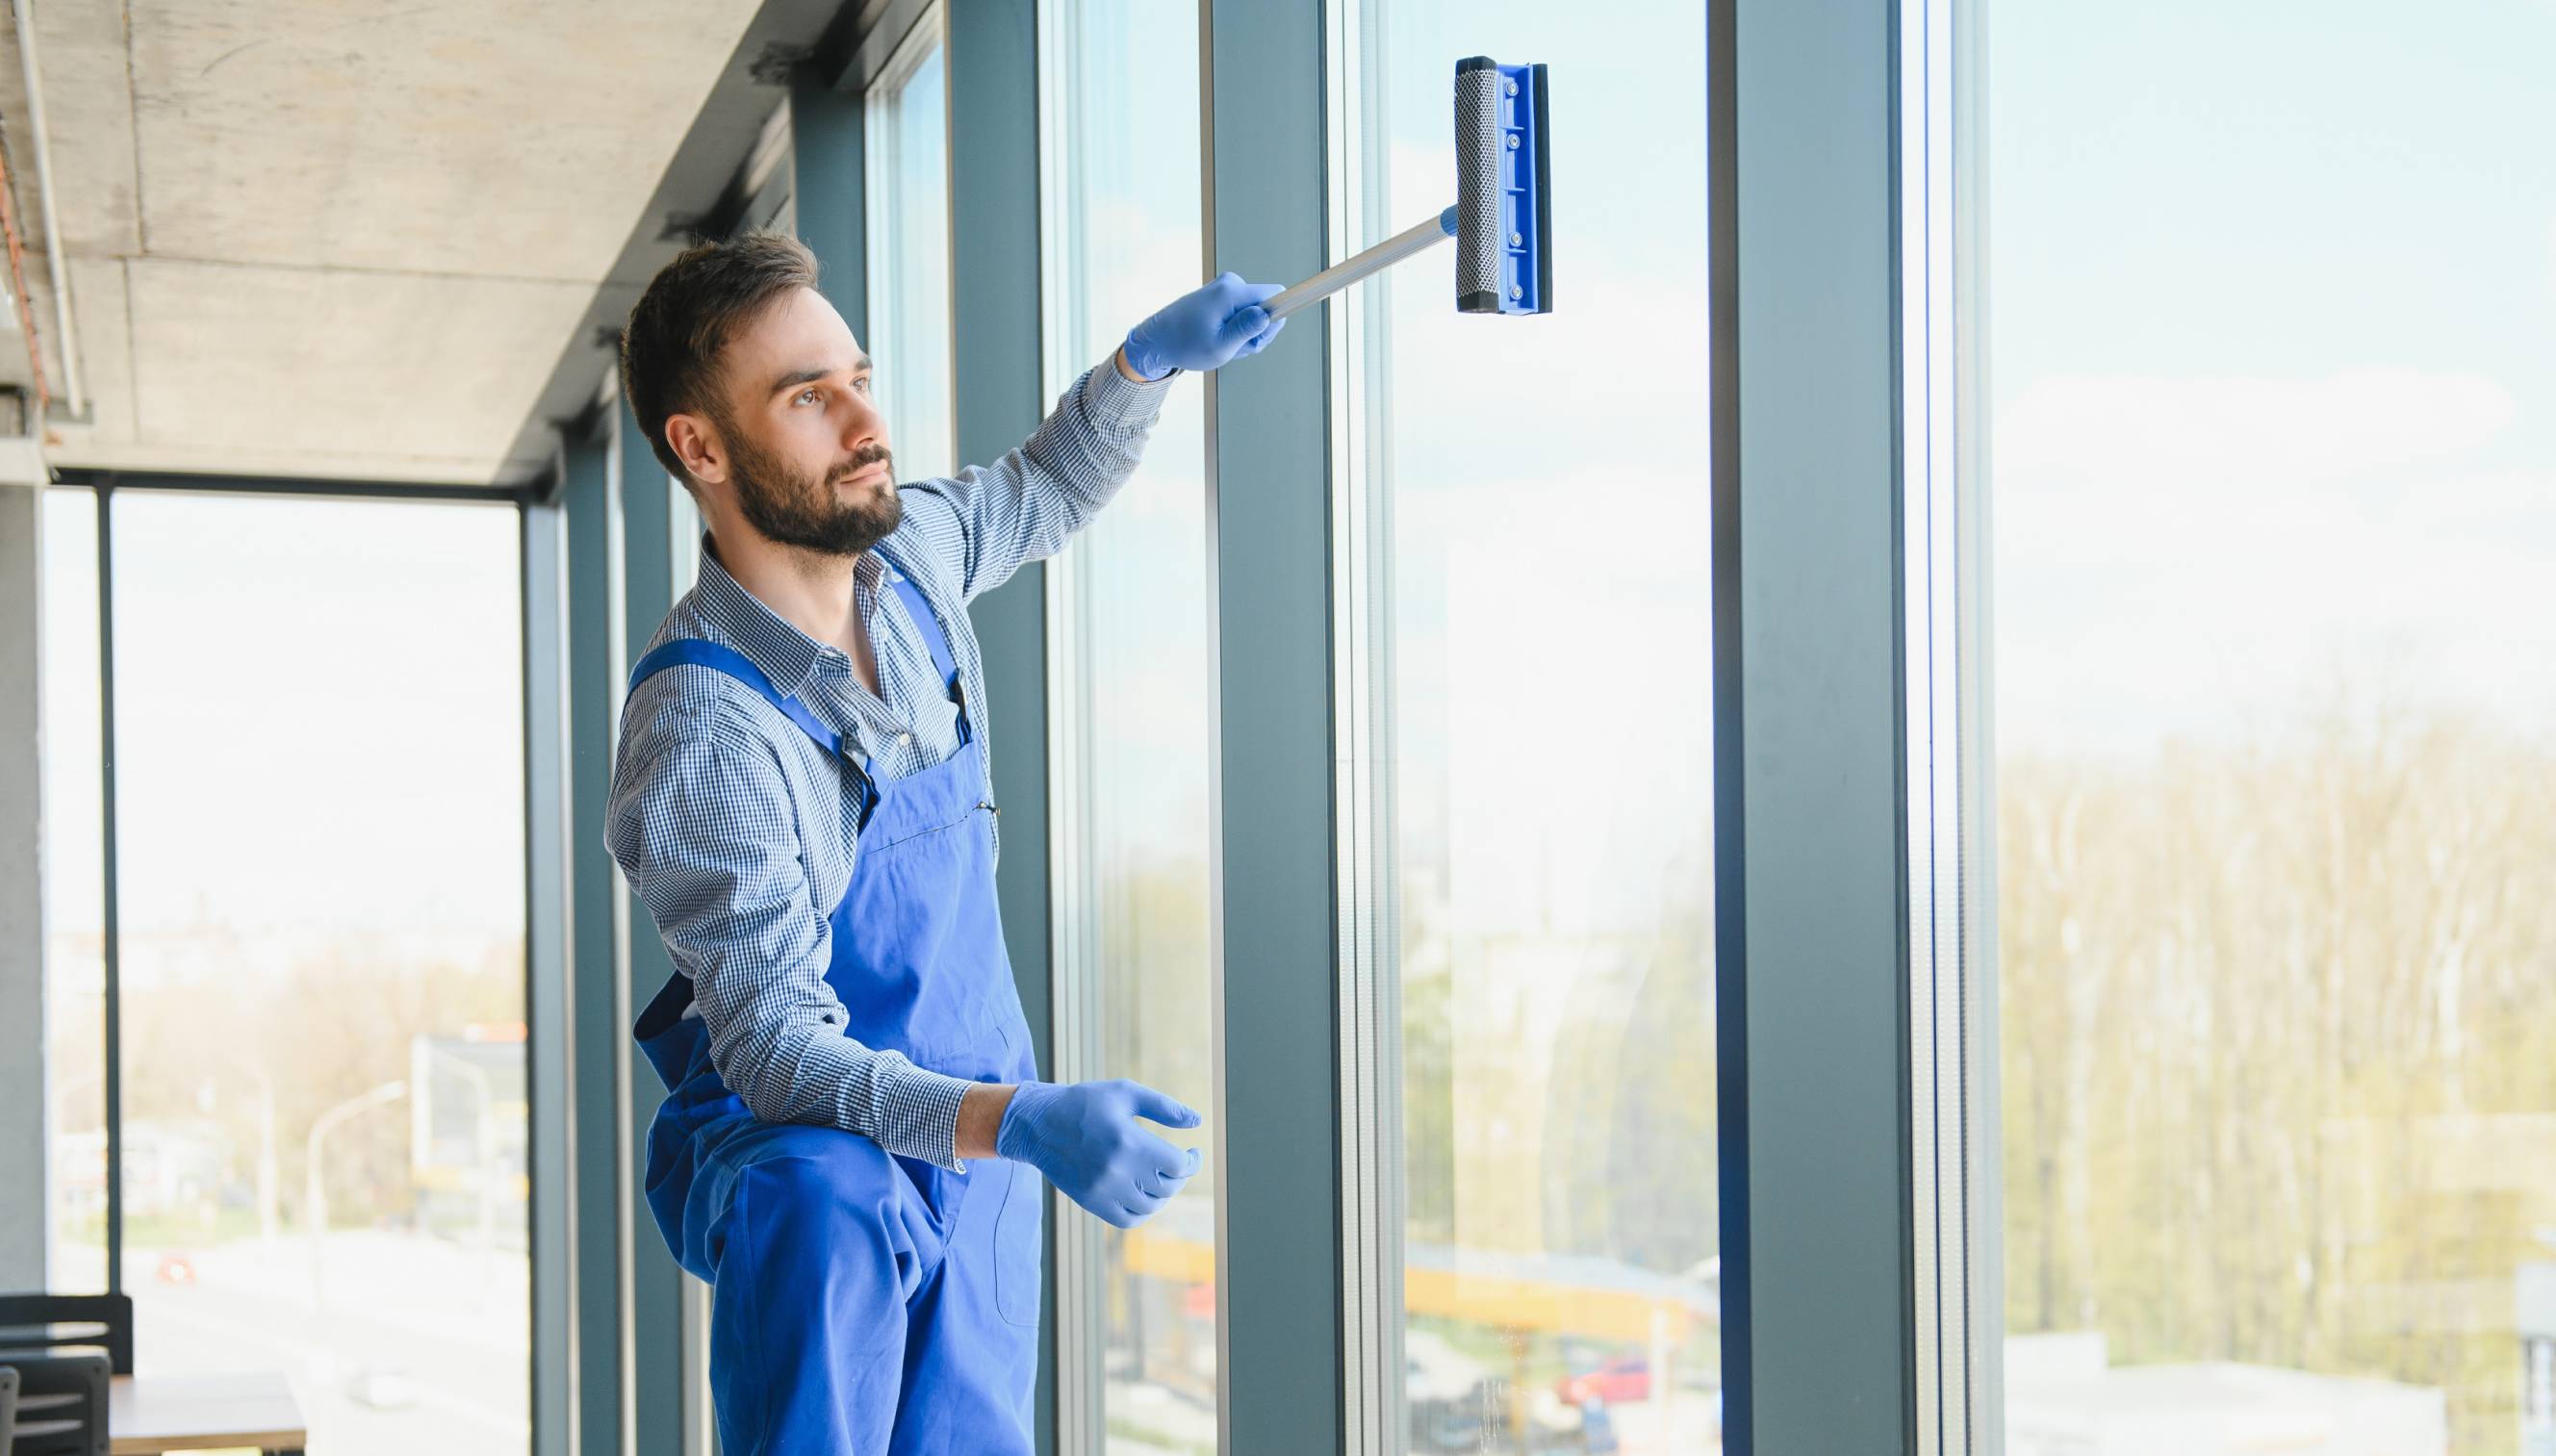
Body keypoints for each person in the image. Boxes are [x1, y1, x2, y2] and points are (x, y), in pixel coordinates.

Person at [602, 231, 1284, 1453]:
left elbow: (1044, 487)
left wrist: (1145, 362)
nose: (865, 422)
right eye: (808, 398)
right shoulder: (707, 725)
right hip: (814, 1167)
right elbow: (774, 1052)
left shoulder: (906, 562)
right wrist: (1015, 1119)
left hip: (973, 1139)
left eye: (857, 376)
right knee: (828, 1207)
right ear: (698, 447)